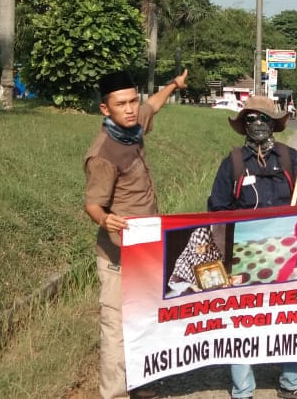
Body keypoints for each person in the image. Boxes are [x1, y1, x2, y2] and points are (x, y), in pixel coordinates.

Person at [83, 69, 188, 399]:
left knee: (142, 319)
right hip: (118, 254)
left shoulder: (132, 125)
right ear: (105, 109)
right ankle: (115, 393)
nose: (130, 109)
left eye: (132, 101)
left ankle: (138, 383)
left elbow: (152, 105)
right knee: (116, 327)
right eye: (121, 104)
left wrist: (174, 85)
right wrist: (106, 220)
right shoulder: (103, 154)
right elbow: (92, 204)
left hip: (145, 249)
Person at [207, 94, 297, 399]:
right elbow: (216, 209)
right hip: (245, 257)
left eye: (263, 118)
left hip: (288, 255)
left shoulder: (291, 158)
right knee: (240, 321)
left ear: (273, 124)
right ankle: (243, 389)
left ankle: (291, 382)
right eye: (251, 119)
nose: (257, 123)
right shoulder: (232, 163)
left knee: (290, 317)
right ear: (244, 125)